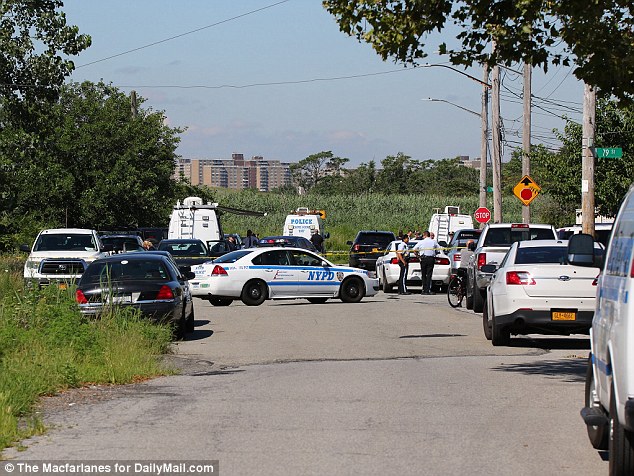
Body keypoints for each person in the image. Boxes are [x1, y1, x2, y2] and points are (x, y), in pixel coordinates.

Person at [413, 231, 439, 295]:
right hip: (430, 258)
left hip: (423, 258)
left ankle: (424, 290)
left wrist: (418, 256)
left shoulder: (421, 242)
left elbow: (414, 249)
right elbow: (438, 249)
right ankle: (428, 290)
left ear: (424, 235)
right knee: (429, 274)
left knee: (423, 274)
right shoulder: (433, 242)